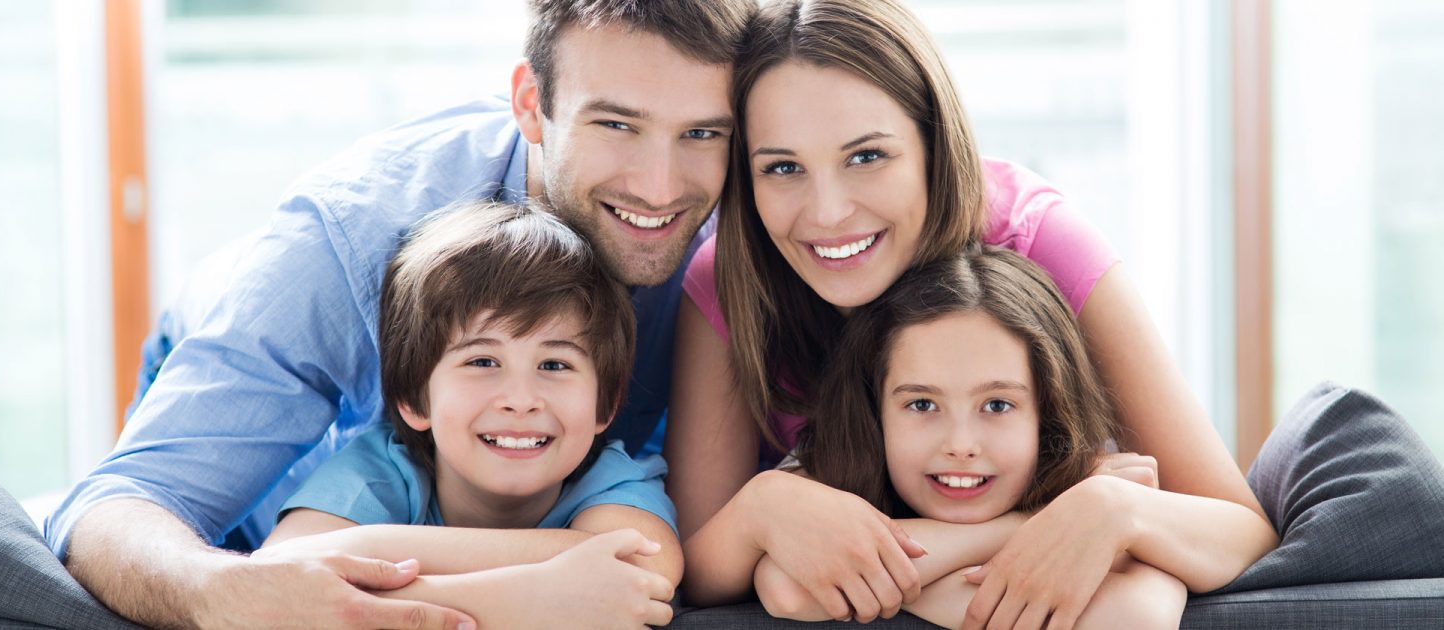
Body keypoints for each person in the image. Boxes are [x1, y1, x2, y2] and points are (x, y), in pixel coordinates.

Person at [45, 1, 753, 627]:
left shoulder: (746, 221)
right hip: (280, 432)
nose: (661, 188)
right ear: (532, 103)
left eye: (702, 134)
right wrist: (226, 592)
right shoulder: (354, 235)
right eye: (617, 123)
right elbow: (114, 506)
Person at [666, 0, 1276, 626]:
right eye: (784, 168)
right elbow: (699, 575)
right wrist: (764, 508)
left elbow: (1242, 531)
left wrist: (1116, 512)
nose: (826, 213)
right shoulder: (730, 279)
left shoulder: (1039, 240)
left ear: (934, 145)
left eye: (867, 156)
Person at [256, 201, 678, 628]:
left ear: (604, 404)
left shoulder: (613, 479)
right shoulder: (378, 472)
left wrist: (367, 545)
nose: (521, 399)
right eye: (482, 362)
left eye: (554, 365)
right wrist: (526, 599)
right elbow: (282, 574)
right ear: (415, 398)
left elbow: (645, 570)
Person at [753, 247, 1187, 628]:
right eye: (922, 405)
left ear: (1046, 414)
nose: (961, 445)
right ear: (875, 412)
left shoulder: (1094, 491)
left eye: (997, 405)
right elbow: (786, 586)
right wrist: (1035, 524)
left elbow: (1140, 615)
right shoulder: (831, 474)